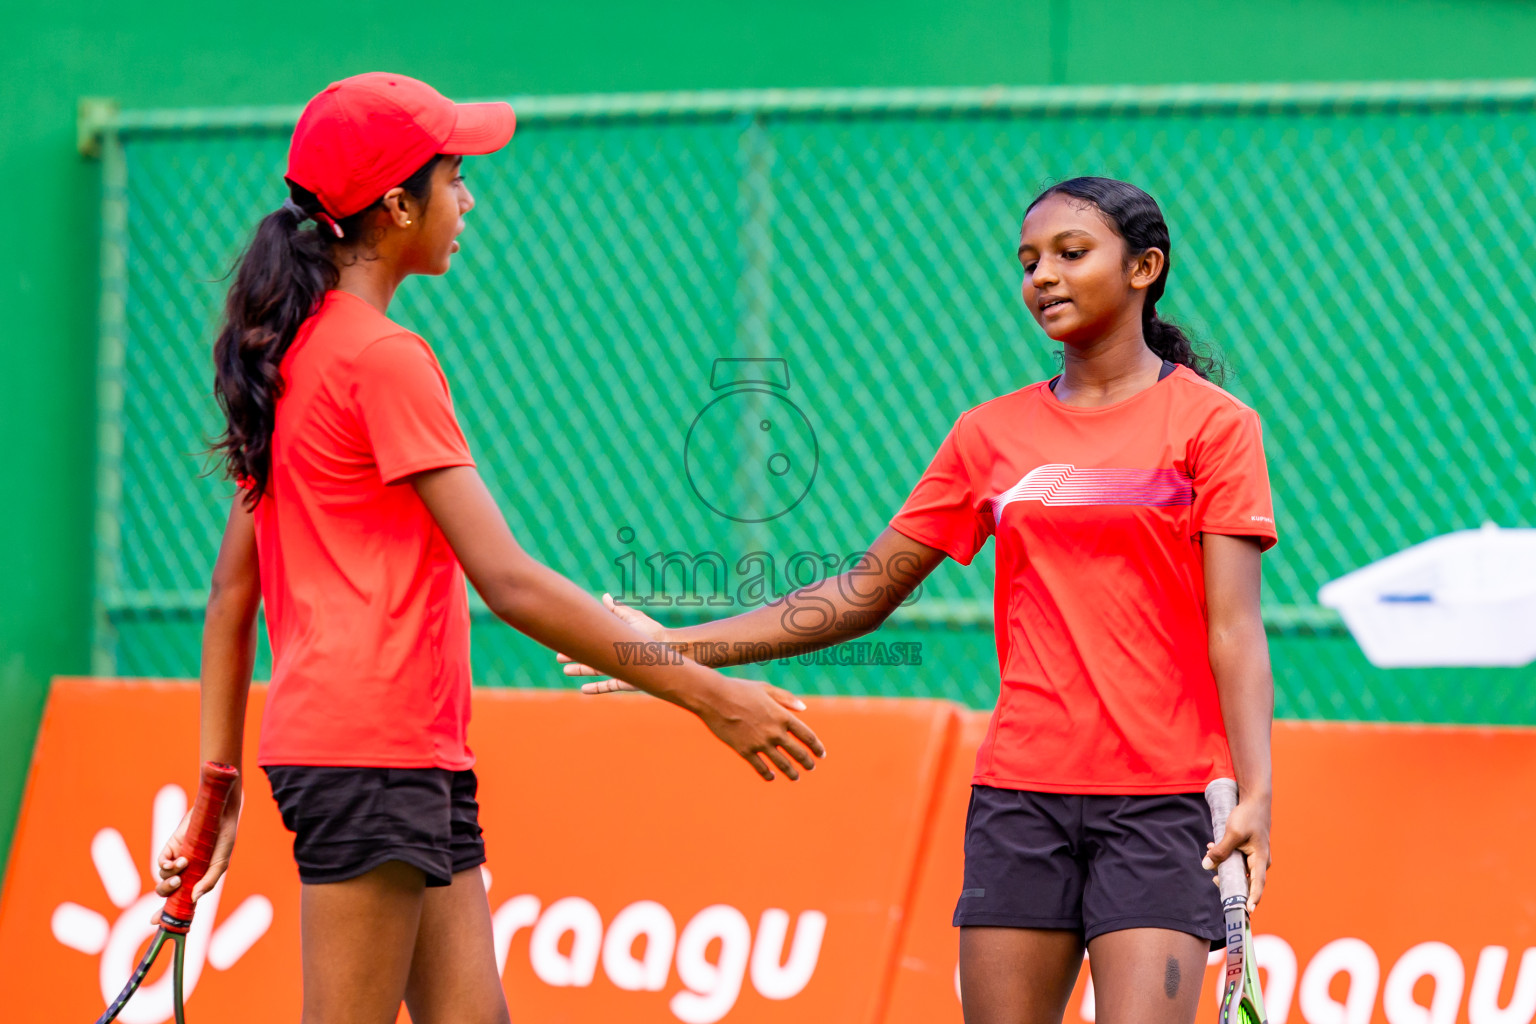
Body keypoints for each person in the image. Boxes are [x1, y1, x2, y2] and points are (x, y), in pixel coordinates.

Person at [151, 72, 824, 1024]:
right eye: (455, 177)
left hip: (401, 752)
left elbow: (230, 596)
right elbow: (507, 581)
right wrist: (710, 696)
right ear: (395, 206)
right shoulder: (385, 360)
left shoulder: (291, 349)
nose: (469, 201)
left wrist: (215, 788)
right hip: (369, 752)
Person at [562, 176, 1276, 1024]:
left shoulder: (1214, 427)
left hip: (1165, 803)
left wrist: (1258, 793)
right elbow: (862, 593)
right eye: (1028, 261)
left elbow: (1234, 629)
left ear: (1144, 267)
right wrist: (676, 647)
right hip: (1021, 800)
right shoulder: (989, 435)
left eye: (1071, 254)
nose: (1042, 277)